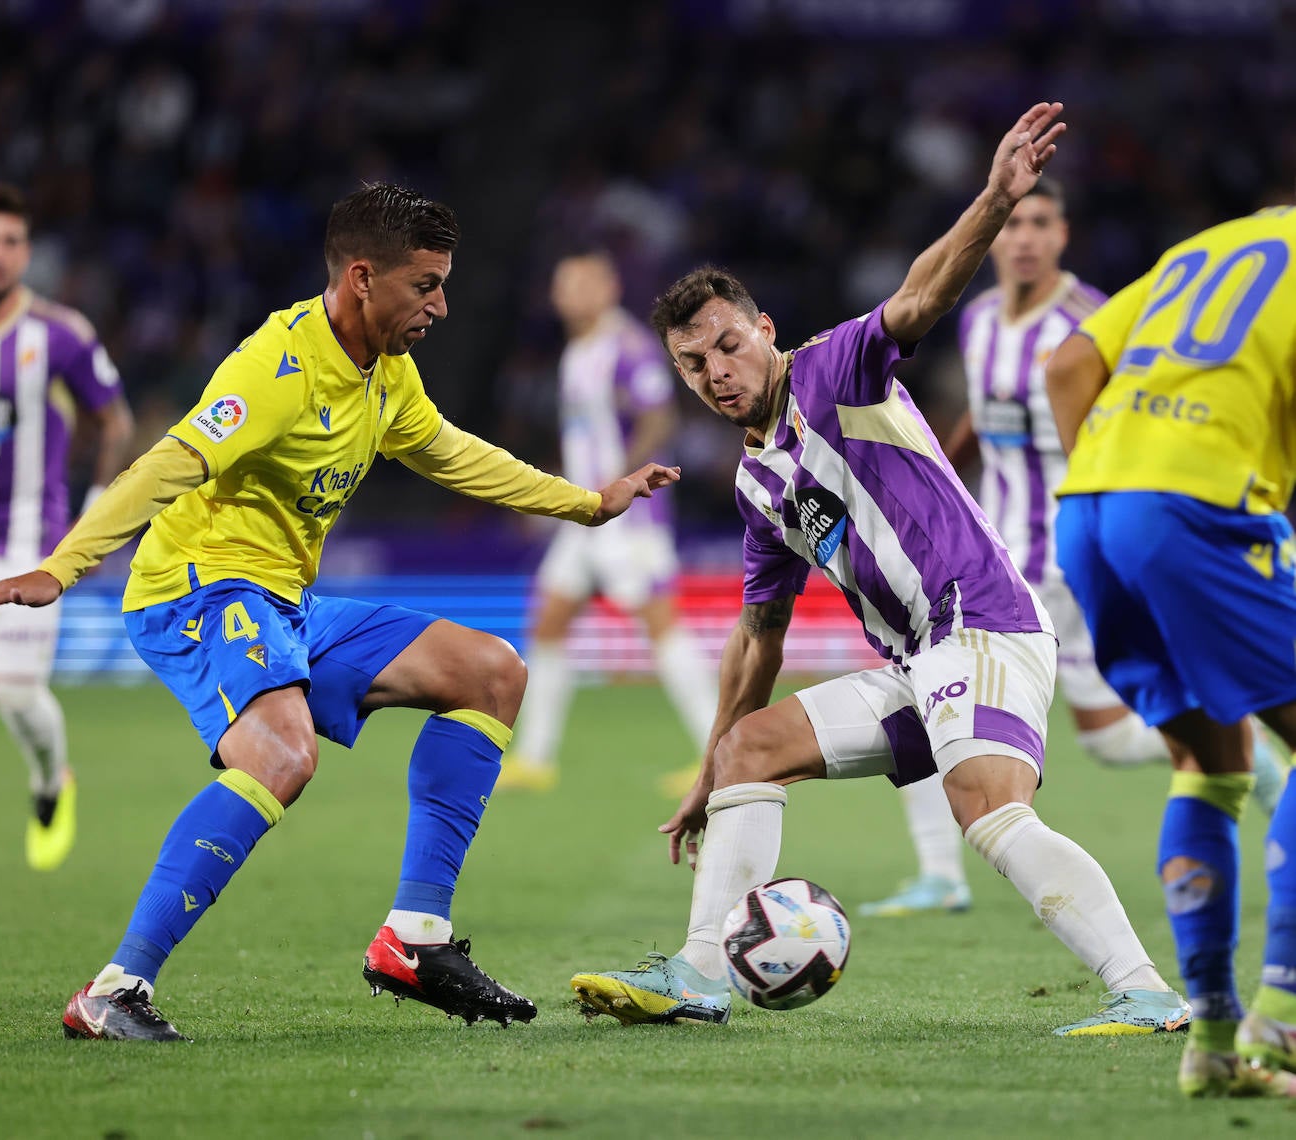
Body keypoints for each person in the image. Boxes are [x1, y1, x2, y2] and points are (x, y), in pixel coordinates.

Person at [0, 183, 679, 1040]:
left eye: (443, 284)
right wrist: (60, 569)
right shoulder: (277, 368)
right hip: (198, 589)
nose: (440, 305)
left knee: (491, 671)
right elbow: (169, 461)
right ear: (363, 278)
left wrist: (589, 503)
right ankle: (115, 990)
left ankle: (415, 939)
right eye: (424, 285)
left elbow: (450, 452)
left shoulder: (386, 371)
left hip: (284, 602)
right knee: (283, 754)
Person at [568, 103, 1191, 1039]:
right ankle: (699, 975)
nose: (716, 370)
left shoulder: (833, 371)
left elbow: (921, 295)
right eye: (693, 363)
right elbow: (757, 637)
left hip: (982, 623)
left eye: (728, 344)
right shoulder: (757, 483)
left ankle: (1146, 991)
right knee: (749, 750)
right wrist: (711, 768)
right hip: (916, 660)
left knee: (985, 806)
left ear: (763, 329)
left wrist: (992, 199)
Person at [861, 180, 1289, 918]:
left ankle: (1252, 758)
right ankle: (941, 873)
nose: (1024, 237)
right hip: (1000, 557)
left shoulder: (1090, 316)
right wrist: (939, 473)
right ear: (996, 239)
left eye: (1041, 223)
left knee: (1102, 735)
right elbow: (981, 416)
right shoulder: (984, 319)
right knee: (934, 687)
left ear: (1063, 235)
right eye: (1015, 223)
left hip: (1072, 551)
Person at [1047, 203, 1296, 1096]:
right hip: (1196, 504)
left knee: (1212, 761)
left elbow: (1069, 364)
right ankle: (1284, 1021)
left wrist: (1121, 502)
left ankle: (1217, 1046)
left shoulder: (1203, 249)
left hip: (1090, 514)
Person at [0, 183, 134, 877]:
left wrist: (96, 513)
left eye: (11, 241)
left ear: (26, 253)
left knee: (15, 696)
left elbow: (116, 420)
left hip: (26, 548)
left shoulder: (60, 335)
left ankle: (51, 782)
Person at [498, 250, 717, 794]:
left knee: (663, 627)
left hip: (630, 517)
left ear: (607, 289)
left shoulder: (629, 348)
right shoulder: (579, 350)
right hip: (587, 515)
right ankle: (534, 759)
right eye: (561, 285)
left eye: (578, 284)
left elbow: (659, 416)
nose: (566, 295)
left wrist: (622, 481)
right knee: (549, 621)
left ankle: (719, 755)